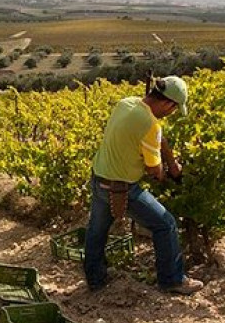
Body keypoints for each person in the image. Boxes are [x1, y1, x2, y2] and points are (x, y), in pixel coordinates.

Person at [83, 76, 204, 295]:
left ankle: (95, 280)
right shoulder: (150, 124)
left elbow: (153, 136)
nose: (171, 114)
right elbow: (153, 169)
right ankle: (172, 280)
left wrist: (169, 158)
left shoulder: (126, 103)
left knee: (96, 231)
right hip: (122, 189)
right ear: (168, 104)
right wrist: (168, 173)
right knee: (165, 224)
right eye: (174, 109)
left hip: (99, 179)